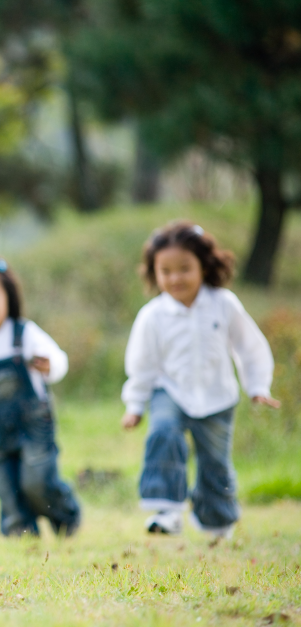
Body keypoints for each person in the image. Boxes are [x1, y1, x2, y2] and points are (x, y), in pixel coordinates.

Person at [121, 221, 277, 539]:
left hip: (218, 396)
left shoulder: (224, 304)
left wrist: (257, 386)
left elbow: (249, 347)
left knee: (215, 461)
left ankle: (217, 522)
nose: (175, 278)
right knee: (163, 434)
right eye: (165, 271)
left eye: (184, 269)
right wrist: (135, 405)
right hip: (170, 391)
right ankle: (167, 511)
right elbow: (142, 364)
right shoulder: (152, 316)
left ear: (203, 267)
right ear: (154, 273)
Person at [0, 257, 81, 537]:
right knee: (1, 477)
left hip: (35, 424)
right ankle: (20, 530)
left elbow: (58, 359)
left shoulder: (24, 332)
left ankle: (65, 514)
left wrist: (50, 366)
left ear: (8, 296)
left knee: (36, 481)